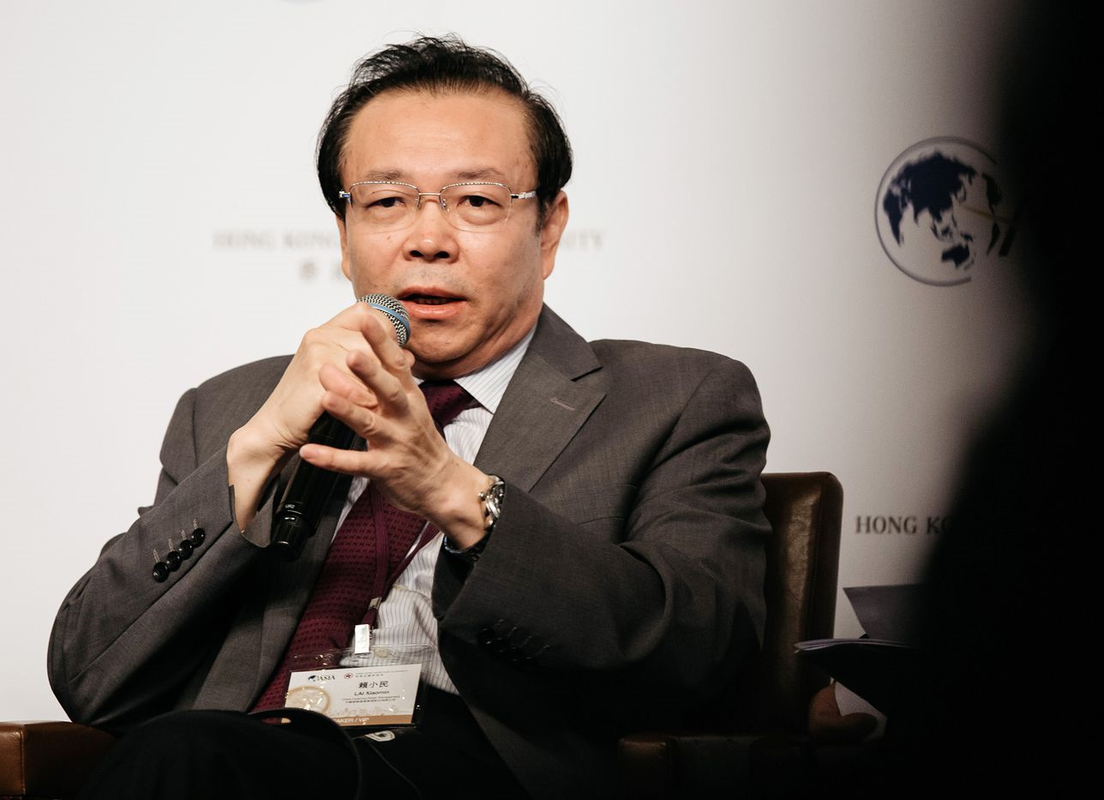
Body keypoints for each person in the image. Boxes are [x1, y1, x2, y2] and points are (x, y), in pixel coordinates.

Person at [48, 36, 770, 799]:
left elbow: (701, 653)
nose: (428, 241)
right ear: (344, 233)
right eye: (387, 202)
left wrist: (455, 492)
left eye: (477, 202)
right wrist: (257, 450)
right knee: (184, 755)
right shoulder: (230, 407)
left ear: (549, 228)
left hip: (473, 767)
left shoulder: (672, 397)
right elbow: (91, 680)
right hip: (236, 754)